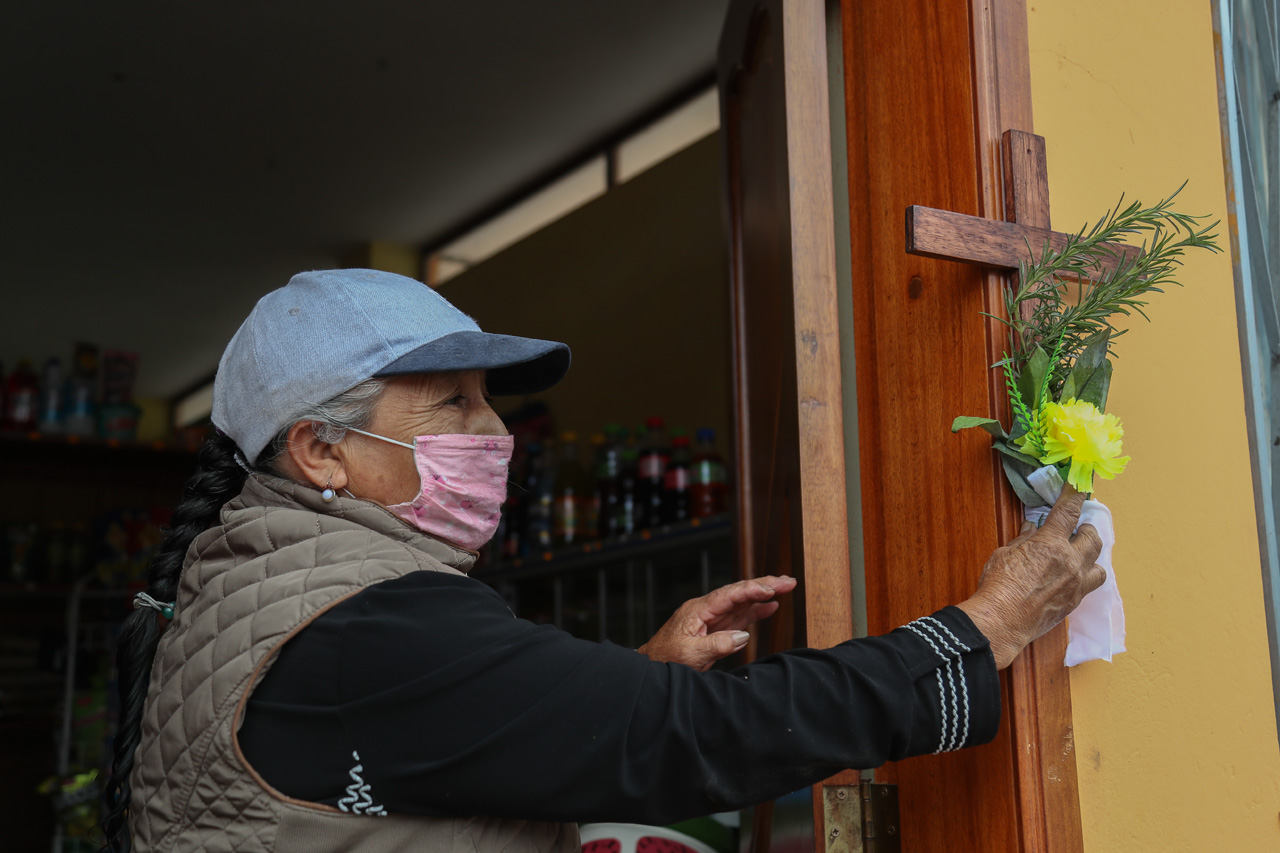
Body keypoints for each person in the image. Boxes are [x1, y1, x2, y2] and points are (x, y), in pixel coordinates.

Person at [102, 268, 1103, 852]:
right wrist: (984, 628)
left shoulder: (268, 588)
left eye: (487, 399)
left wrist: (629, 681)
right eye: (451, 403)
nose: (494, 430)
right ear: (320, 450)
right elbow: (699, 738)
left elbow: (420, 756)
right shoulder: (364, 623)